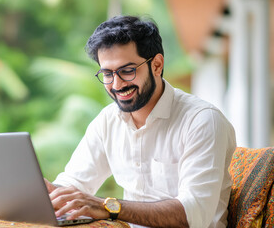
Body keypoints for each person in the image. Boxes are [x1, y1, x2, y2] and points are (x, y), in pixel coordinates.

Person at [45, 15, 236, 228]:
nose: (117, 84)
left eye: (127, 71)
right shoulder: (108, 121)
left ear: (157, 65)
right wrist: (48, 194)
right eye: (107, 73)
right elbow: (74, 184)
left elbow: (193, 215)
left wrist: (109, 207)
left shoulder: (202, 120)